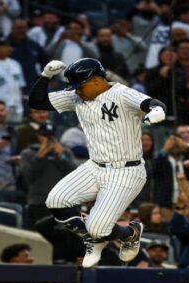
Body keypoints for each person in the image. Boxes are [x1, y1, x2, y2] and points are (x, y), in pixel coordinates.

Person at [29, 58, 167, 268]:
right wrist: (45, 76)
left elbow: (153, 104)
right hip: (94, 167)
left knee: (97, 227)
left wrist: (157, 112)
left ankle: (130, 233)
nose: (76, 92)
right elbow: (36, 102)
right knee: (56, 201)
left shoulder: (121, 93)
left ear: (95, 81)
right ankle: (95, 239)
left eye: (79, 86)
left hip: (126, 171)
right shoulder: (78, 97)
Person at [20, 123, 77, 227]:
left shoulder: (65, 153)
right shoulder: (28, 153)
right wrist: (38, 157)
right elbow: (27, 177)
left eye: (51, 136)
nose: (48, 139)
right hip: (38, 202)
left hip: (62, 202)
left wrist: (62, 157)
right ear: (38, 136)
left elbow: (74, 175)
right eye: (45, 136)